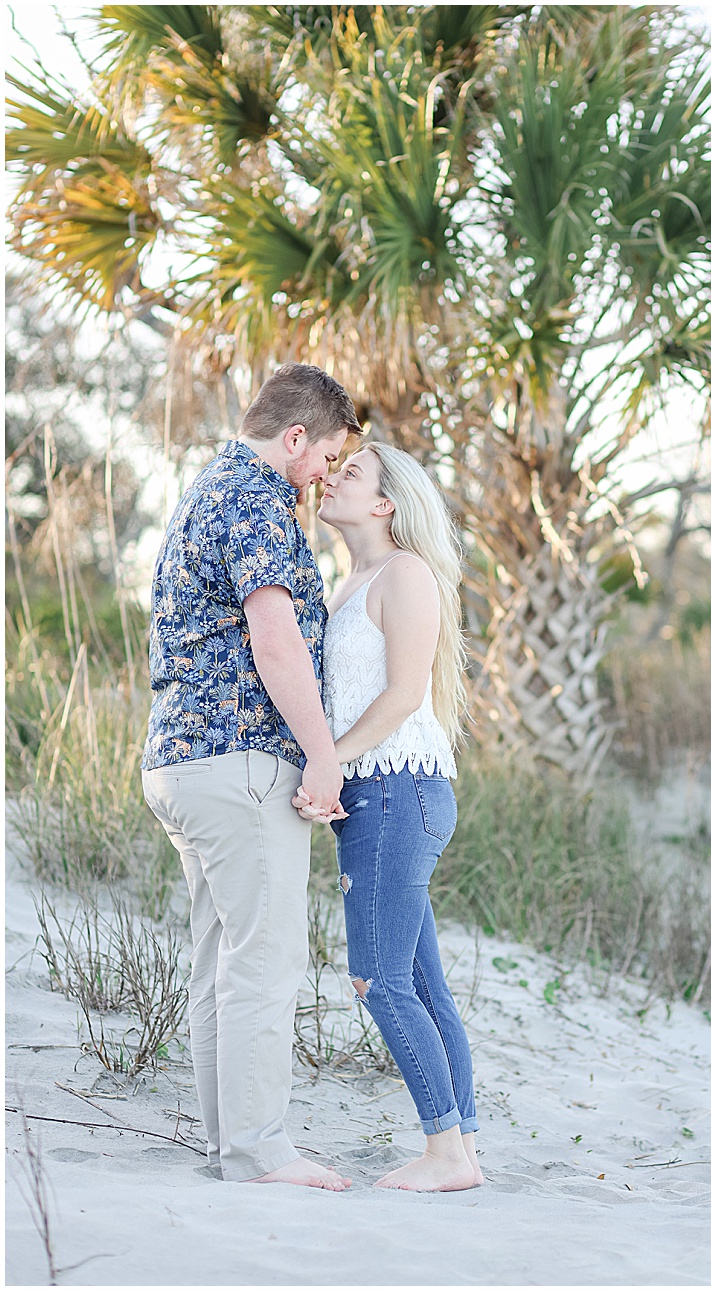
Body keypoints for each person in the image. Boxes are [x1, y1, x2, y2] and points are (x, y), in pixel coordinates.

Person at [141, 363, 359, 1189]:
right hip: (239, 759)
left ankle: (229, 1144)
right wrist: (324, 750)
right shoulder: (258, 499)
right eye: (325, 456)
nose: (324, 475)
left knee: (220, 961)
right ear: (294, 437)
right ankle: (261, 1152)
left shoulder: (206, 489)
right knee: (265, 963)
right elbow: (276, 640)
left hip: (180, 758)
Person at [298, 441, 482, 1192]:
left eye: (352, 473)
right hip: (377, 793)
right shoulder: (349, 582)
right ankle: (463, 1147)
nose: (332, 478)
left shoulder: (405, 573)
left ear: (386, 505)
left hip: (396, 788)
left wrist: (331, 760)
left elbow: (406, 693)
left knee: (378, 980)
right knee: (423, 981)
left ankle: (444, 1153)